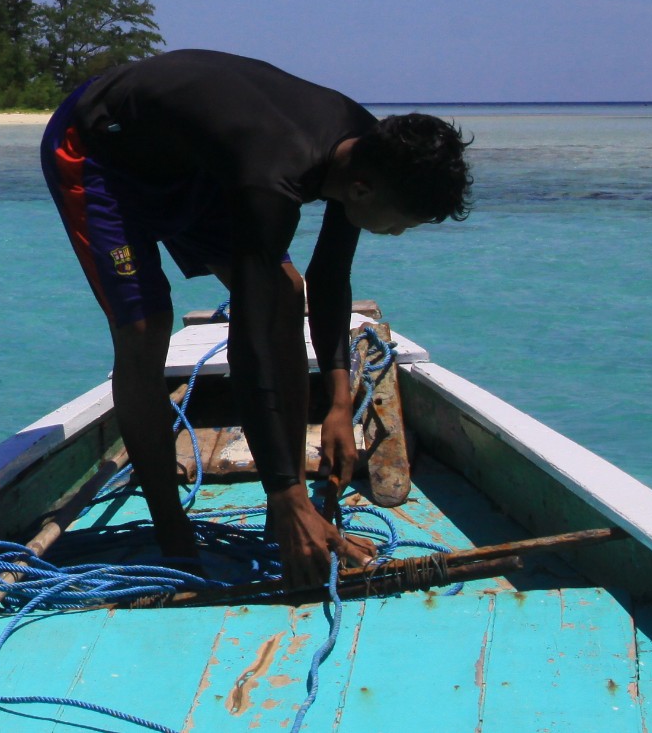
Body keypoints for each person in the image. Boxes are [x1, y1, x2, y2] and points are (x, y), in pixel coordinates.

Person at [40, 49, 471, 586]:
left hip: (197, 163)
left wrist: (339, 403)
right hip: (102, 149)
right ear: (363, 190)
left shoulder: (365, 147)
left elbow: (330, 277)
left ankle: (287, 519)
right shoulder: (271, 181)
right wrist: (287, 486)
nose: (399, 234)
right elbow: (251, 340)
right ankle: (176, 535)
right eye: (403, 223)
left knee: (289, 292)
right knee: (145, 327)